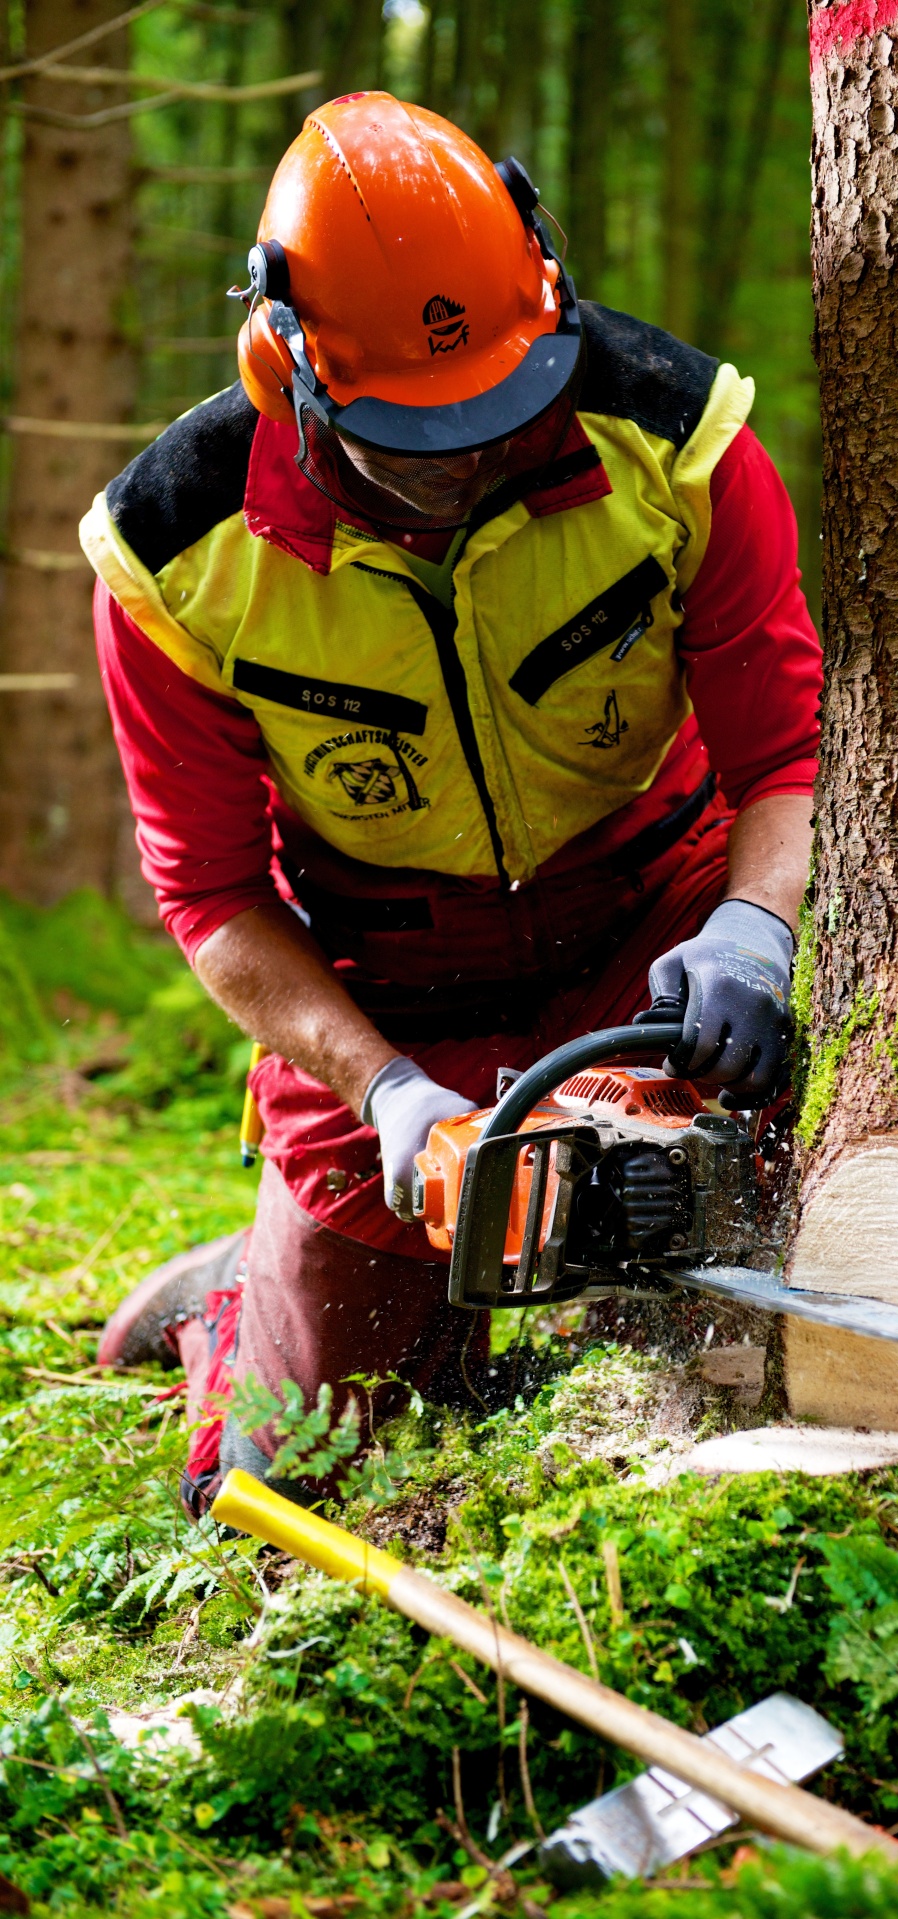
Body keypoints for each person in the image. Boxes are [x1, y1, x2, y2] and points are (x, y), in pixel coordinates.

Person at [84, 94, 821, 1518]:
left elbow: (783, 753)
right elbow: (213, 900)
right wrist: (385, 1091)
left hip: (649, 916)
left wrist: (751, 926)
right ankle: (234, 1308)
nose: (470, 458)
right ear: (291, 365)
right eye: (417, 438)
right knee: (301, 1485)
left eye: (498, 413)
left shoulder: (675, 446)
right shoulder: (175, 553)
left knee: (683, 1354)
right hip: (382, 971)